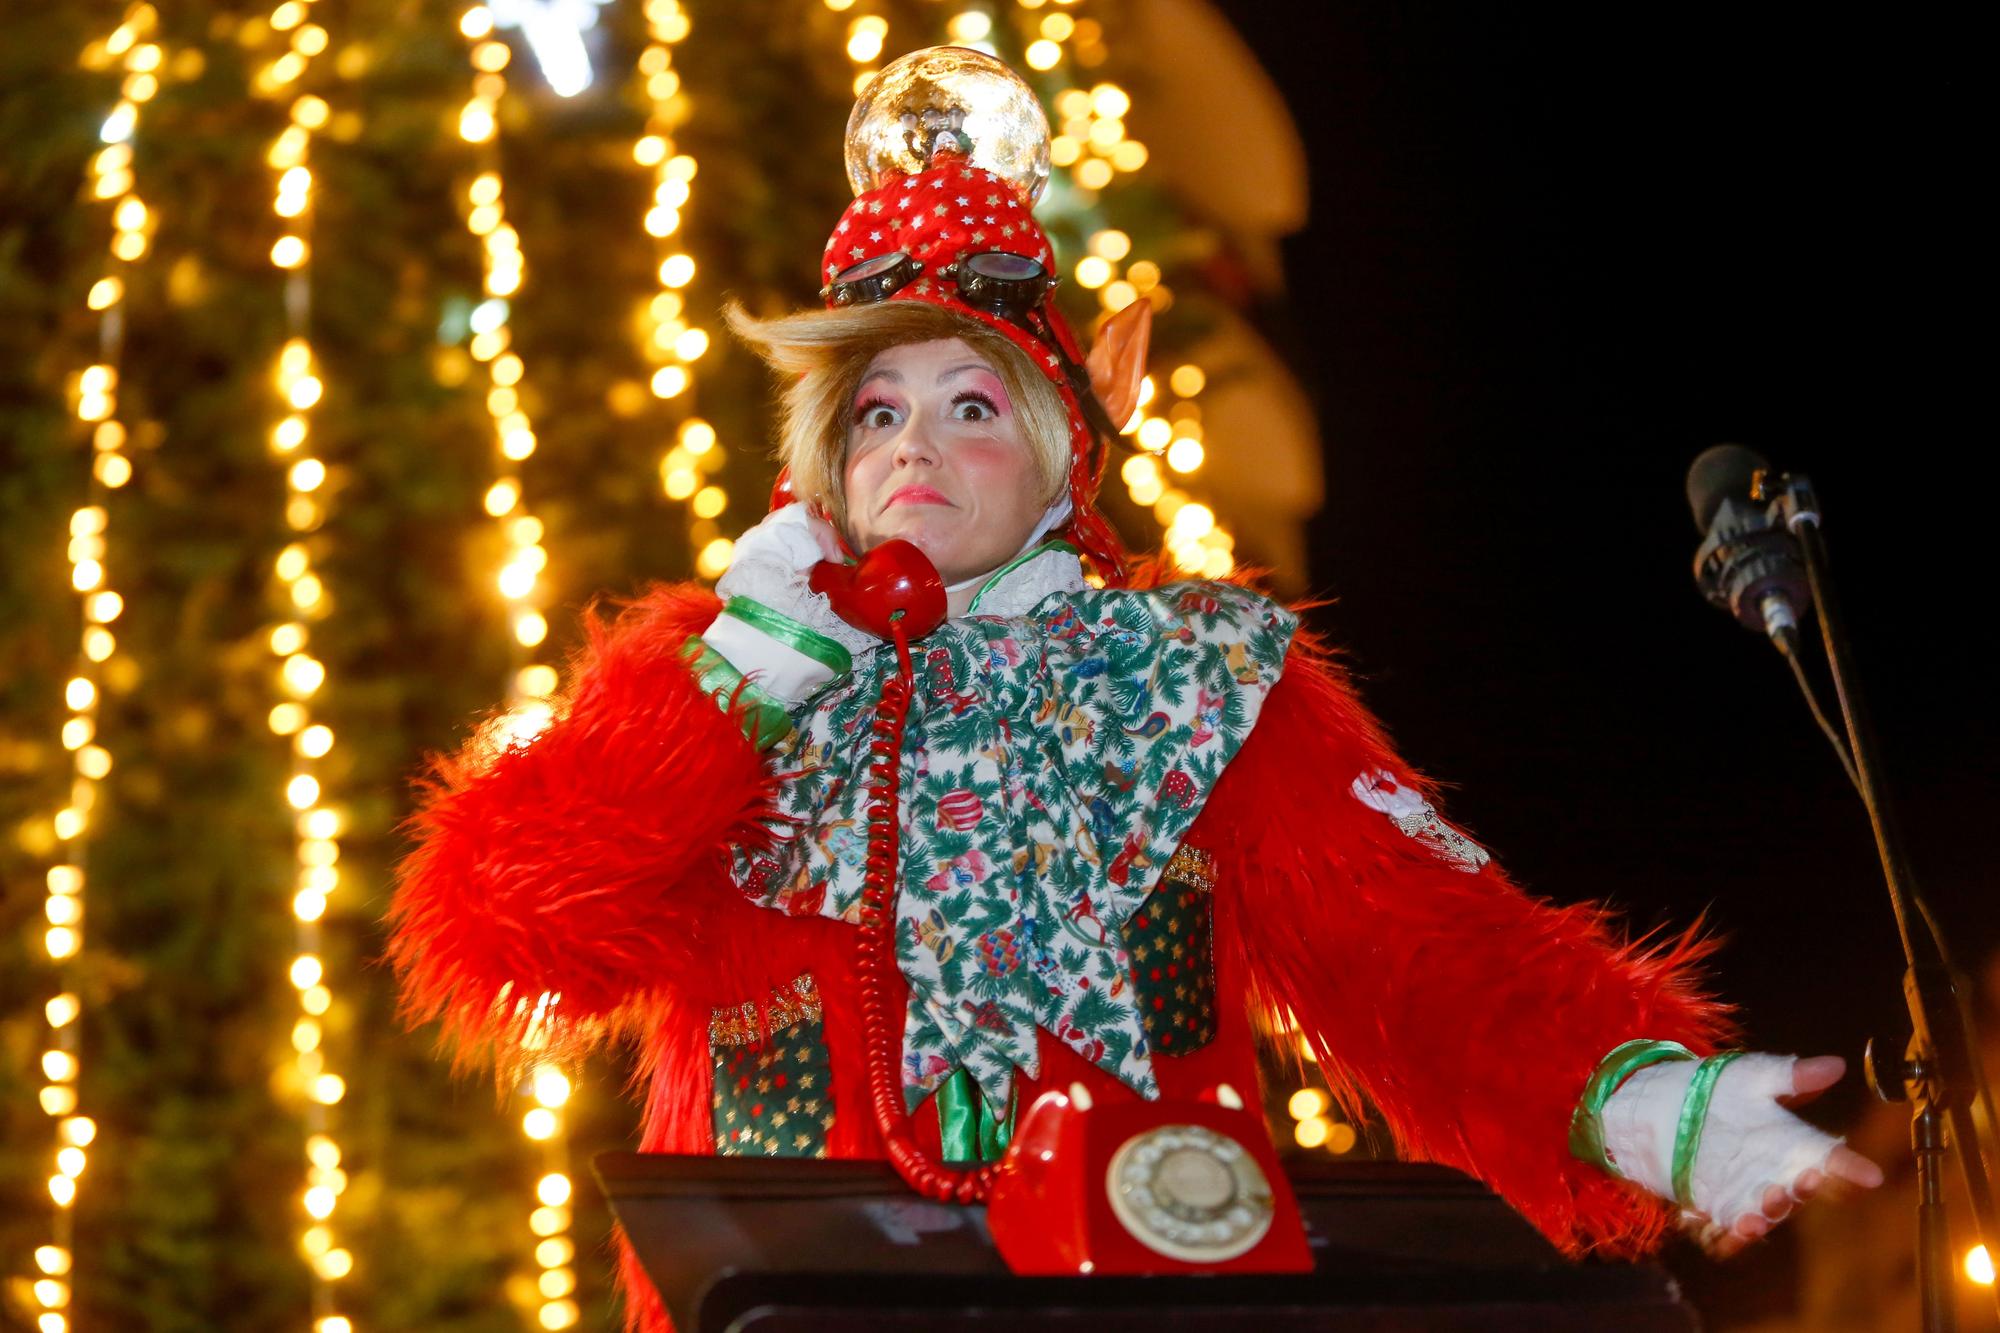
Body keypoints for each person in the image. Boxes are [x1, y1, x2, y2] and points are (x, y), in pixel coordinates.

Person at [386, 47, 1880, 1332]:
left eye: (975, 407)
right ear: (821, 460)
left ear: (1060, 455)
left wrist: (1659, 1112)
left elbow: (1416, 944)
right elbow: (497, 924)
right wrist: (741, 689)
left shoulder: (1194, 677)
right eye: (876, 411)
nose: (915, 446)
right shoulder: (719, 676)